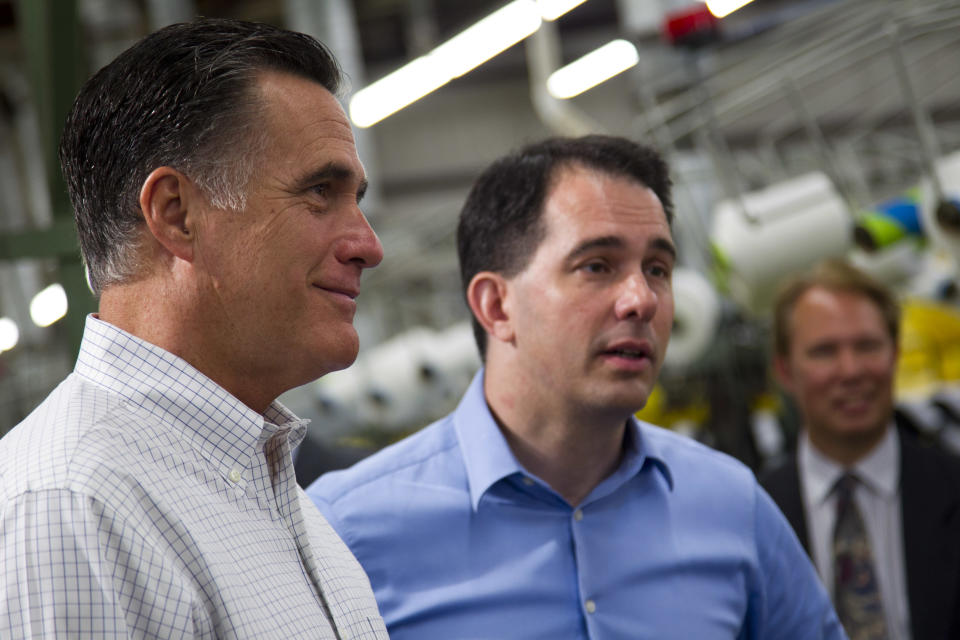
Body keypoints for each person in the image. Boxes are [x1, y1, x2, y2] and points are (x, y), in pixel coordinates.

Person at [308, 135, 844, 639]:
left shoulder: (732, 507)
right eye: (597, 266)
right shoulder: (348, 531)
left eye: (657, 268)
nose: (642, 299)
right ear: (497, 306)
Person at [0, 18, 389, 639]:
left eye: (356, 199)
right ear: (176, 215)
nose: (368, 246)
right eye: (320, 192)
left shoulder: (264, 494)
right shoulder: (74, 508)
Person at [761, 258, 960, 640]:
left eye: (867, 346)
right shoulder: (754, 514)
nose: (851, 371)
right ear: (785, 371)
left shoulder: (953, 488)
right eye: (824, 351)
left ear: (895, 355)